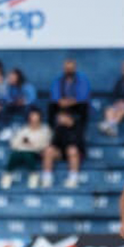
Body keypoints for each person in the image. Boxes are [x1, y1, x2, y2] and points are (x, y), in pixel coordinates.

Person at [45, 58, 91, 189]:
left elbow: (83, 96)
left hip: (77, 109)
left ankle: (73, 178)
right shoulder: (58, 81)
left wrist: (71, 103)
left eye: (71, 67)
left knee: (72, 150)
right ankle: (47, 178)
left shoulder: (82, 80)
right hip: (60, 146)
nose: (69, 70)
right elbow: (55, 96)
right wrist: (61, 104)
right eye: (67, 67)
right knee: (48, 150)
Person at [1, 108, 52, 190]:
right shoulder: (24, 129)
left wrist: (29, 143)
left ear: (40, 118)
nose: (34, 120)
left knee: (27, 154)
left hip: (37, 152)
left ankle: (33, 175)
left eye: (36, 117)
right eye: (32, 117)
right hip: (21, 150)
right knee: (15, 155)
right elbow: (14, 143)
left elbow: (44, 144)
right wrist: (27, 144)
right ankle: (8, 175)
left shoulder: (45, 129)